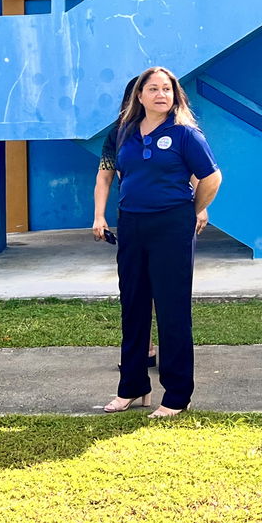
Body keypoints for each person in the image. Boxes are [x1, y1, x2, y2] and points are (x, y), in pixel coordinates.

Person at [96, 66, 221, 417]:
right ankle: (132, 387)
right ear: (140, 95)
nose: (161, 94)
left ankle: (178, 395)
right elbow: (114, 174)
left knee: (172, 310)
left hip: (172, 225)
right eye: (153, 89)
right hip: (132, 224)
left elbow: (212, 178)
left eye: (167, 89)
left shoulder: (185, 134)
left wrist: (190, 211)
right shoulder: (124, 133)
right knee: (133, 306)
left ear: (175, 95)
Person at [93, 76, 156, 368]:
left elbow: (195, 171)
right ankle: (142, 351)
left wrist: (200, 209)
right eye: (148, 90)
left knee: (167, 290)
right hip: (132, 218)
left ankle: (170, 354)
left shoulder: (175, 129)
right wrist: (99, 216)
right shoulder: (118, 134)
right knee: (134, 288)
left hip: (170, 219)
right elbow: (104, 176)